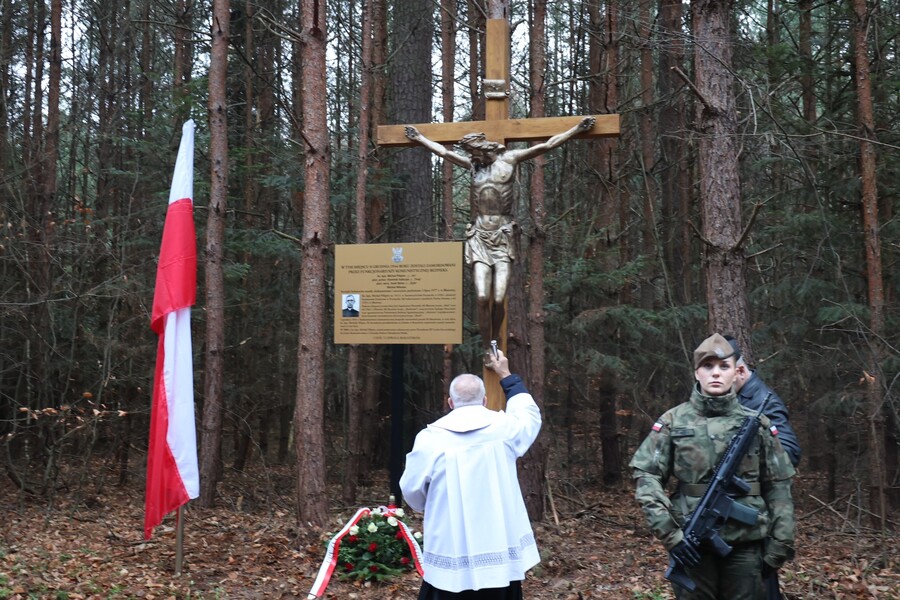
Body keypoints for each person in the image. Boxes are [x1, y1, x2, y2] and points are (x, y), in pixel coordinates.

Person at [405, 117, 596, 358]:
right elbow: (444, 152)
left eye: (475, 152)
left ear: (484, 148)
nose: (473, 157)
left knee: (498, 297)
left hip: (503, 235)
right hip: (479, 237)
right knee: (482, 296)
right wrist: (420, 138)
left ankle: (495, 339)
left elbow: (546, 145)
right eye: (470, 154)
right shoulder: (474, 166)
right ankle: (488, 345)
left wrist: (577, 129)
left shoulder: (510, 159)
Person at [629, 333, 795, 600]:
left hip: (747, 546)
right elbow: (646, 475)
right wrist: (671, 535)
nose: (715, 373)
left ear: (736, 372)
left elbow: (779, 484)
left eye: (723, 366)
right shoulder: (673, 421)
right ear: (696, 373)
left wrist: (781, 542)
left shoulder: (758, 423)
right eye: (708, 366)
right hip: (691, 546)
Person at [399, 350, 542, 599]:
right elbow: (529, 416)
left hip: (450, 544)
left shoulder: (430, 439)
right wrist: (506, 375)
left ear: (450, 402)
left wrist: (425, 505)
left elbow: (411, 490)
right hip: (499, 545)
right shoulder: (504, 429)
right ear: (485, 400)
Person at [723, 335, 801, 467]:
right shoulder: (729, 397)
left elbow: (790, 453)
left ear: (740, 371)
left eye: (723, 370)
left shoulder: (766, 403)